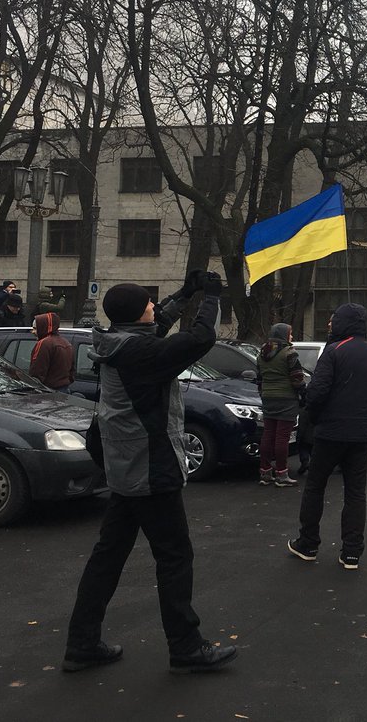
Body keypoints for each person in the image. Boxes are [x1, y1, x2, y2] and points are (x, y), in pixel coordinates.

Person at [64, 270, 238, 673]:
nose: (153, 308)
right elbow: (200, 339)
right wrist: (211, 298)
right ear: (133, 313)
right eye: (147, 302)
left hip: (127, 470)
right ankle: (186, 647)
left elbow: (159, 321)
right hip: (149, 470)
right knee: (174, 557)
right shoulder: (139, 354)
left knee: (107, 558)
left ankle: (82, 642)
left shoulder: (116, 342)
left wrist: (187, 292)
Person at [287, 303, 367, 569]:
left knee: (315, 487)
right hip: (360, 435)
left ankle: (308, 543)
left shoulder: (334, 352)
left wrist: (315, 418)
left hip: (330, 433)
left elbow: (317, 393)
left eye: (334, 321)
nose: (330, 324)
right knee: (355, 493)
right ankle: (352, 552)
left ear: (343, 323)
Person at [256, 323, 307, 487]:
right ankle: (281, 474)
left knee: (268, 434)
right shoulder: (289, 353)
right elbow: (297, 378)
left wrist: (263, 394)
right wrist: (303, 394)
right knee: (282, 438)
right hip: (286, 399)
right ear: (284, 335)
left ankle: (265, 472)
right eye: (290, 334)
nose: (291, 337)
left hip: (268, 397)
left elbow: (259, 378)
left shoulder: (262, 352)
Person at [29, 312, 74, 392]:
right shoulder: (66, 343)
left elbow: (37, 372)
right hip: (64, 390)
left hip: (47, 391)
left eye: (35, 328)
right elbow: (72, 371)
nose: (32, 332)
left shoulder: (44, 344)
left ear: (43, 327)